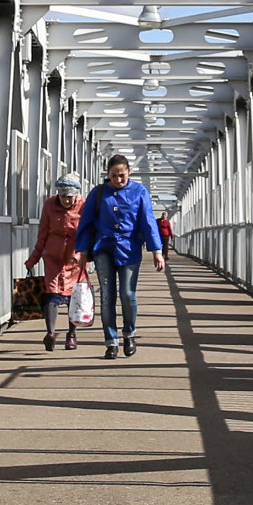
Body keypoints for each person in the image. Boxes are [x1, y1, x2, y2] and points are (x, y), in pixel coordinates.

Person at [70, 153, 166, 358]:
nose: (118, 179)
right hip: (103, 247)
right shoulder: (98, 193)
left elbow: (148, 221)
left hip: (129, 249)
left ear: (129, 172)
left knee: (127, 293)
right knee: (107, 295)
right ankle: (111, 341)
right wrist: (83, 252)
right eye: (114, 175)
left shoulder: (139, 192)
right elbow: (86, 222)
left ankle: (129, 334)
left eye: (122, 175)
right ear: (108, 174)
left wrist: (157, 251)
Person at [30, 173, 87, 350]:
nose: (66, 200)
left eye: (70, 197)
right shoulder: (49, 205)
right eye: (63, 196)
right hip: (53, 257)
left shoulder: (84, 206)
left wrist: (86, 254)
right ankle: (50, 333)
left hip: (75, 259)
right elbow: (43, 233)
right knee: (51, 292)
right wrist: (34, 257)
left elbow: (89, 232)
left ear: (76, 195)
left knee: (74, 296)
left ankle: (72, 334)